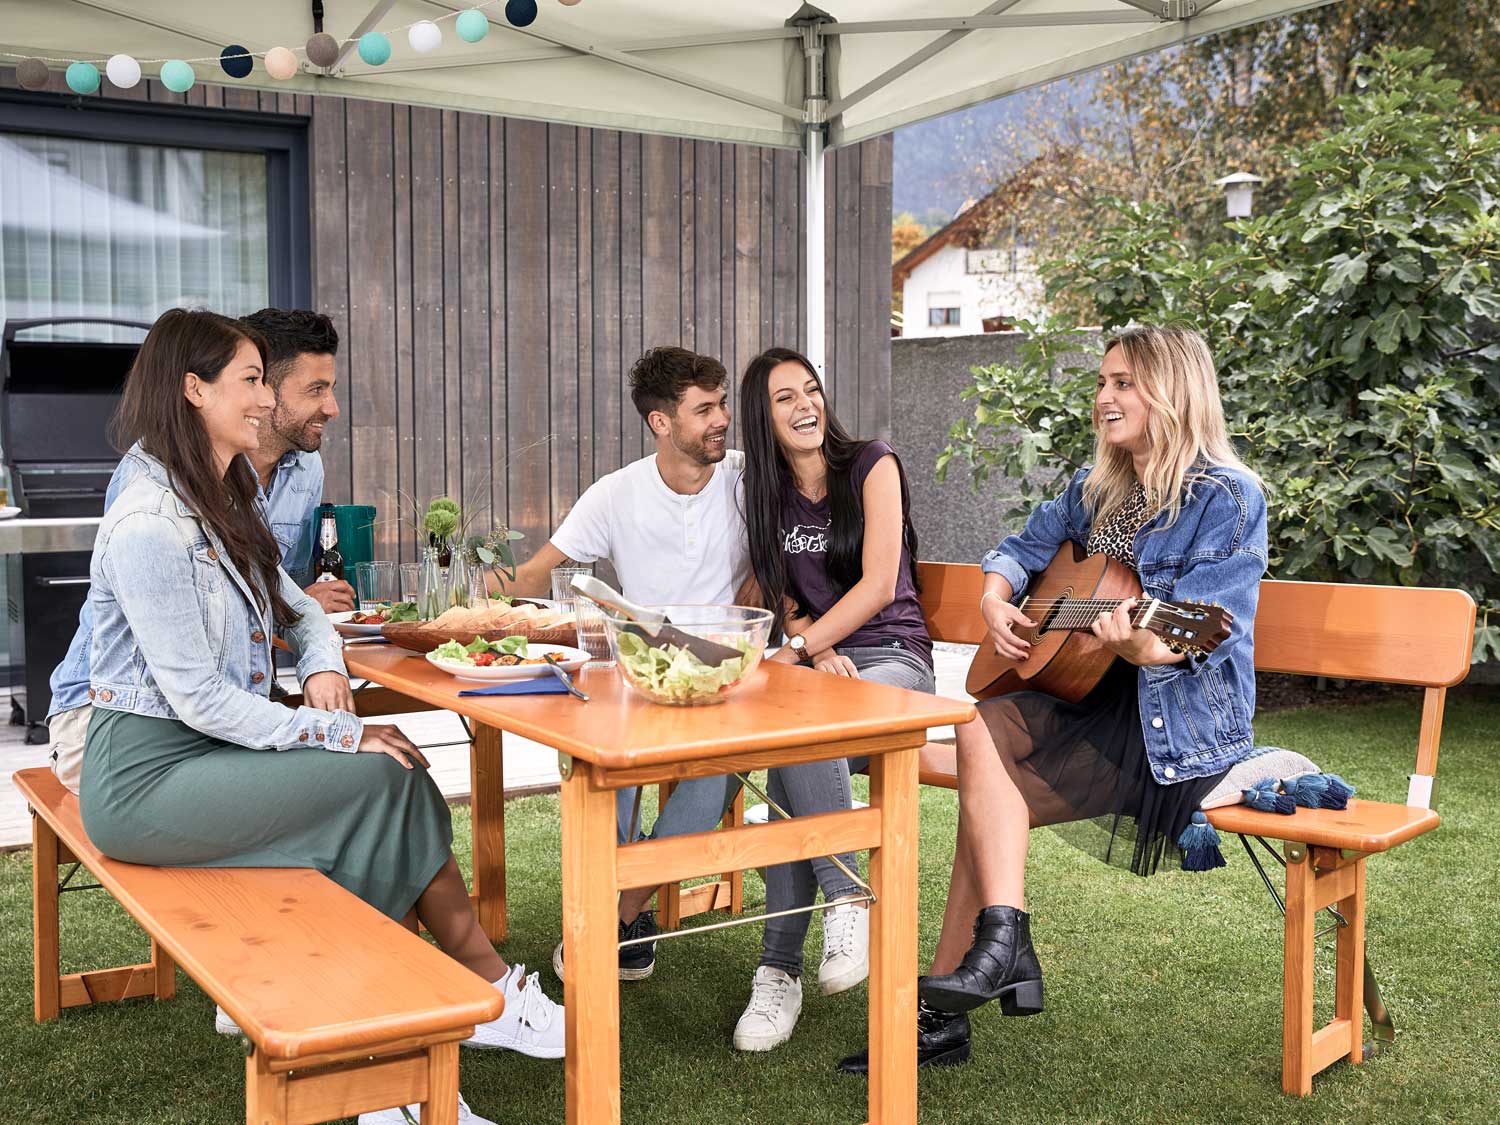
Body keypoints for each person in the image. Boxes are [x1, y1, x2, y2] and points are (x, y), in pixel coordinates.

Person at [76, 310, 563, 1125]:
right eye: (251, 380)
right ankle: (387, 1063)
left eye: (266, 380)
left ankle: (407, 1040)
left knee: (400, 775)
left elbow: (301, 612)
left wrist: (328, 671)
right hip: (144, 776)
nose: (265, 399)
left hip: (203, 751)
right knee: (371, 771)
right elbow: (196, 697)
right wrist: (336, 729)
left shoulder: (221, 494)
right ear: (192, 390)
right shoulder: (149, 523)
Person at [839, 325, 1267, 1074]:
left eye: (1123, 382)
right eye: (1102, 383)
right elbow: (1021, 547)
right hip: (1082, 702)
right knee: (976, 731)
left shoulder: (1228, 497)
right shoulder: (1098, 486)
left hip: (1167, 730)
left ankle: (951, 1006)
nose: (1104, 397)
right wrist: (998, 597)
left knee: (986, 790)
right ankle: (1002, 942)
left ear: (1174, 389)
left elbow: (1199, 628)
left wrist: (1139, 643)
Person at [503, 345, 753, 982]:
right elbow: (537, 572)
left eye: (722, 403)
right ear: (661, 423)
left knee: (721, 764)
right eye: (705, 409)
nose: (722, 418)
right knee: (601, 759)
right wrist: (471, 586)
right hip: (642, 675)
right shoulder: (616, 494)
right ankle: (625, 915)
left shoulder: (752, 481)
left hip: (731, 677)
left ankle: (620, 912)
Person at [46, 309, 355, 795]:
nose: (332, 407)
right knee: (352, 781)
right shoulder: (152, 502)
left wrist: (321, 660)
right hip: (127, 724)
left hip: (222, 704)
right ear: (198, 390)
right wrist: (331, 730)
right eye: (314, 389)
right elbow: (191, 687)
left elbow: (281, 597)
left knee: (364, 775)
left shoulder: (266, 479)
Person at [731, 346, 935, 1052]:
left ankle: (791, 951)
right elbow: (781, 601)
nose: (805, 405)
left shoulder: (871, 464)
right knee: (797, 734)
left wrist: (806, 647)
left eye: (811, 389)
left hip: (896, 661)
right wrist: (812, 645)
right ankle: (826, 913)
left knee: (797, 726)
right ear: (764, 418)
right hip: (825, 668)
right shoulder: (765, 496)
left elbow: (880, 583)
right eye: (785, 397)